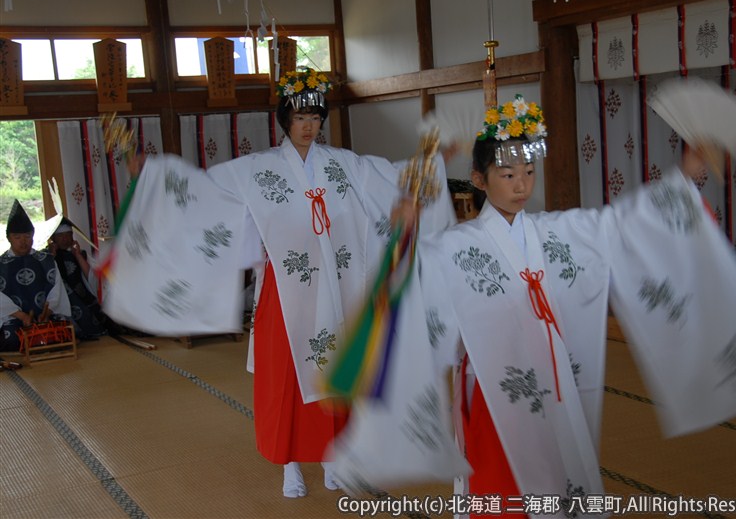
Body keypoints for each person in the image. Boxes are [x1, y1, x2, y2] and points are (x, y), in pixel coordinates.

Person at [329, 93, 736, 518]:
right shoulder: (456, 246)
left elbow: (621, 225)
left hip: (556, 379)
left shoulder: (555, 232)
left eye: (528, 172)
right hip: (496, 391)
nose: (520, 185)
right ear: (478, 179)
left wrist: (688, 174)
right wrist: (406, 233)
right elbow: (409, 282)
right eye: (507, 174)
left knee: (560, 472)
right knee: (503, 489)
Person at [101, 68, 456, 498]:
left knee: (334, 376)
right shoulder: (257, 169)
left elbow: (392, 180)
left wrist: (429, 166)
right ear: (285, 119)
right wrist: (152, 174)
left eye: (315, 117)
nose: (309, 126)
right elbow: (205, 192)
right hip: (285, 295)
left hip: (336, 291)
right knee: (286, 383)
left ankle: (330, 457)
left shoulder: (344, 165)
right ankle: (290, 463)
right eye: (300, 117)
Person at [1, 200, 71, 352]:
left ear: (33, 236)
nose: (23, 242)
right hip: (13, 317)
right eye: (17, 237)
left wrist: (47, 312)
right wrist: (22, 316)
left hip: (43, 315)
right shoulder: (1, 264)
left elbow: (56, 290)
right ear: (9, 238)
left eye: (27, 236)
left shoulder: (45, 260)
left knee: (59, 334)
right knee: (12, 340)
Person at [47, 219, 110, 340]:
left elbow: (92, 278)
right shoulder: (45, 255)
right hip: (60, 299)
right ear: (53, 238)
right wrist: (52, 257)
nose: (65, 239)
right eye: (60, 236)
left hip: (83, 297)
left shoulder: (80, 253)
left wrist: (78, 256)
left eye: (68, 235)